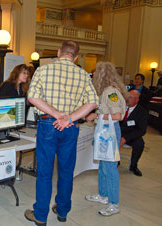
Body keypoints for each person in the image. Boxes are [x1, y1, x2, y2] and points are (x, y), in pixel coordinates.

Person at [24, 40, 99, 225]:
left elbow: (32, 97)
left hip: (48, 125)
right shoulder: (83, 74)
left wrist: (56, 114)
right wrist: (70, 118)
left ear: (59, 52)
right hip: (70, 128)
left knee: (45, 172)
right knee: (66, 171)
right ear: (75, 57)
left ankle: (40, 216)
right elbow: (93, 103)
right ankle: (62, 210)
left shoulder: (43, 70)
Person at [85, 62, 127, 216]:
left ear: (103, 74)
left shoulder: (111, 92)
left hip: (110, 131)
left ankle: (114, 203)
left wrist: (96, 115)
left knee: (110, 169)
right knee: (103, 166)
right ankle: (103, 195)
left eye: (96, 72)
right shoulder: (104, 92)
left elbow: (118, 116)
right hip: (104, 131)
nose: (94, 75)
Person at [120, 90, 147, 176]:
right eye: (127, 96)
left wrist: (126, 138)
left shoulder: (142, 112)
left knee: (140, 144)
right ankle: (115, 161)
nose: (127, 99)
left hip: (132, 135)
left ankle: (133, 166)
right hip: (119, 132)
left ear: (137, 100)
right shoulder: (120, 107)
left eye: (130, 97)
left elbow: (142, 130)